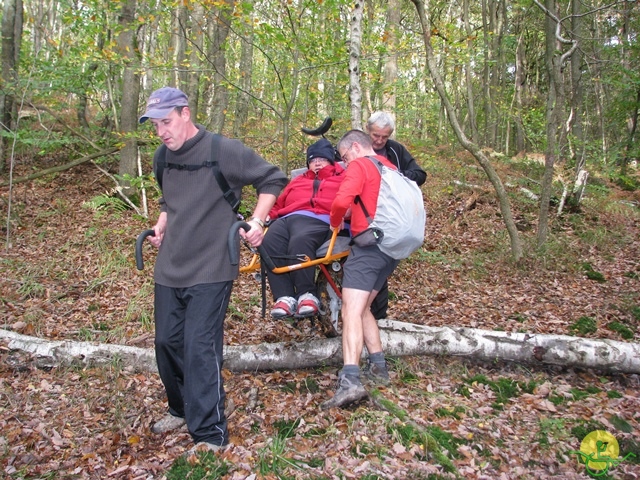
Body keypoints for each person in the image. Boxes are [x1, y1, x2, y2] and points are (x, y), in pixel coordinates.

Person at [139, 87, 287, 453]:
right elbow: (169, 199)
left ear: (185, 114)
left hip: (213, 265)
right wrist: (162, 224)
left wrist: (257, 220)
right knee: (166, 343)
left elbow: (273, 179)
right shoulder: (162, 157)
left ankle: (209, 434)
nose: (161, 132)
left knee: (199, 347)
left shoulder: (224, 151)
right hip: (171, 265)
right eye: (155, 125)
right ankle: (182, 407)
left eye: (166, 122)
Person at [321, 129, 400, 410]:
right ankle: (379, 367)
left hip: (368, 248)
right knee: (363, 307)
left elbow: (342, 201)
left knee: (350, 310)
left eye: (344, 157)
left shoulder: (361, 165)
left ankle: (350, 380)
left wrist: (334, 220)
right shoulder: (388, 166)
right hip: (391, 248)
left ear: (355, 148)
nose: (344, 164)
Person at [262, 138, 347, 318]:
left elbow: (352, 198)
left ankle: (306, 294)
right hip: (288, 217)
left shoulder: (342, 177)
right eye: (312, 160)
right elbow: (279, 203)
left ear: (331, 160)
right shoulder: (298, 180)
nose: (316, 163)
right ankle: (284, 297)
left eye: (321, 160)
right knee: (269, 242)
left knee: (300, 240)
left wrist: (345, 215)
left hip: (319, 217)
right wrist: (267, 215)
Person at [365, 111, 427, 320]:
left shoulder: (395, 150)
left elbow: (420, 174)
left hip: (389, 218)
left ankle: (378, 318)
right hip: (362, 214)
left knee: (380, 264)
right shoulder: (358, 147)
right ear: (368, 130)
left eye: (385, 136)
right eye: (376, 135)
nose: (380, 140)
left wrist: (399, 176)